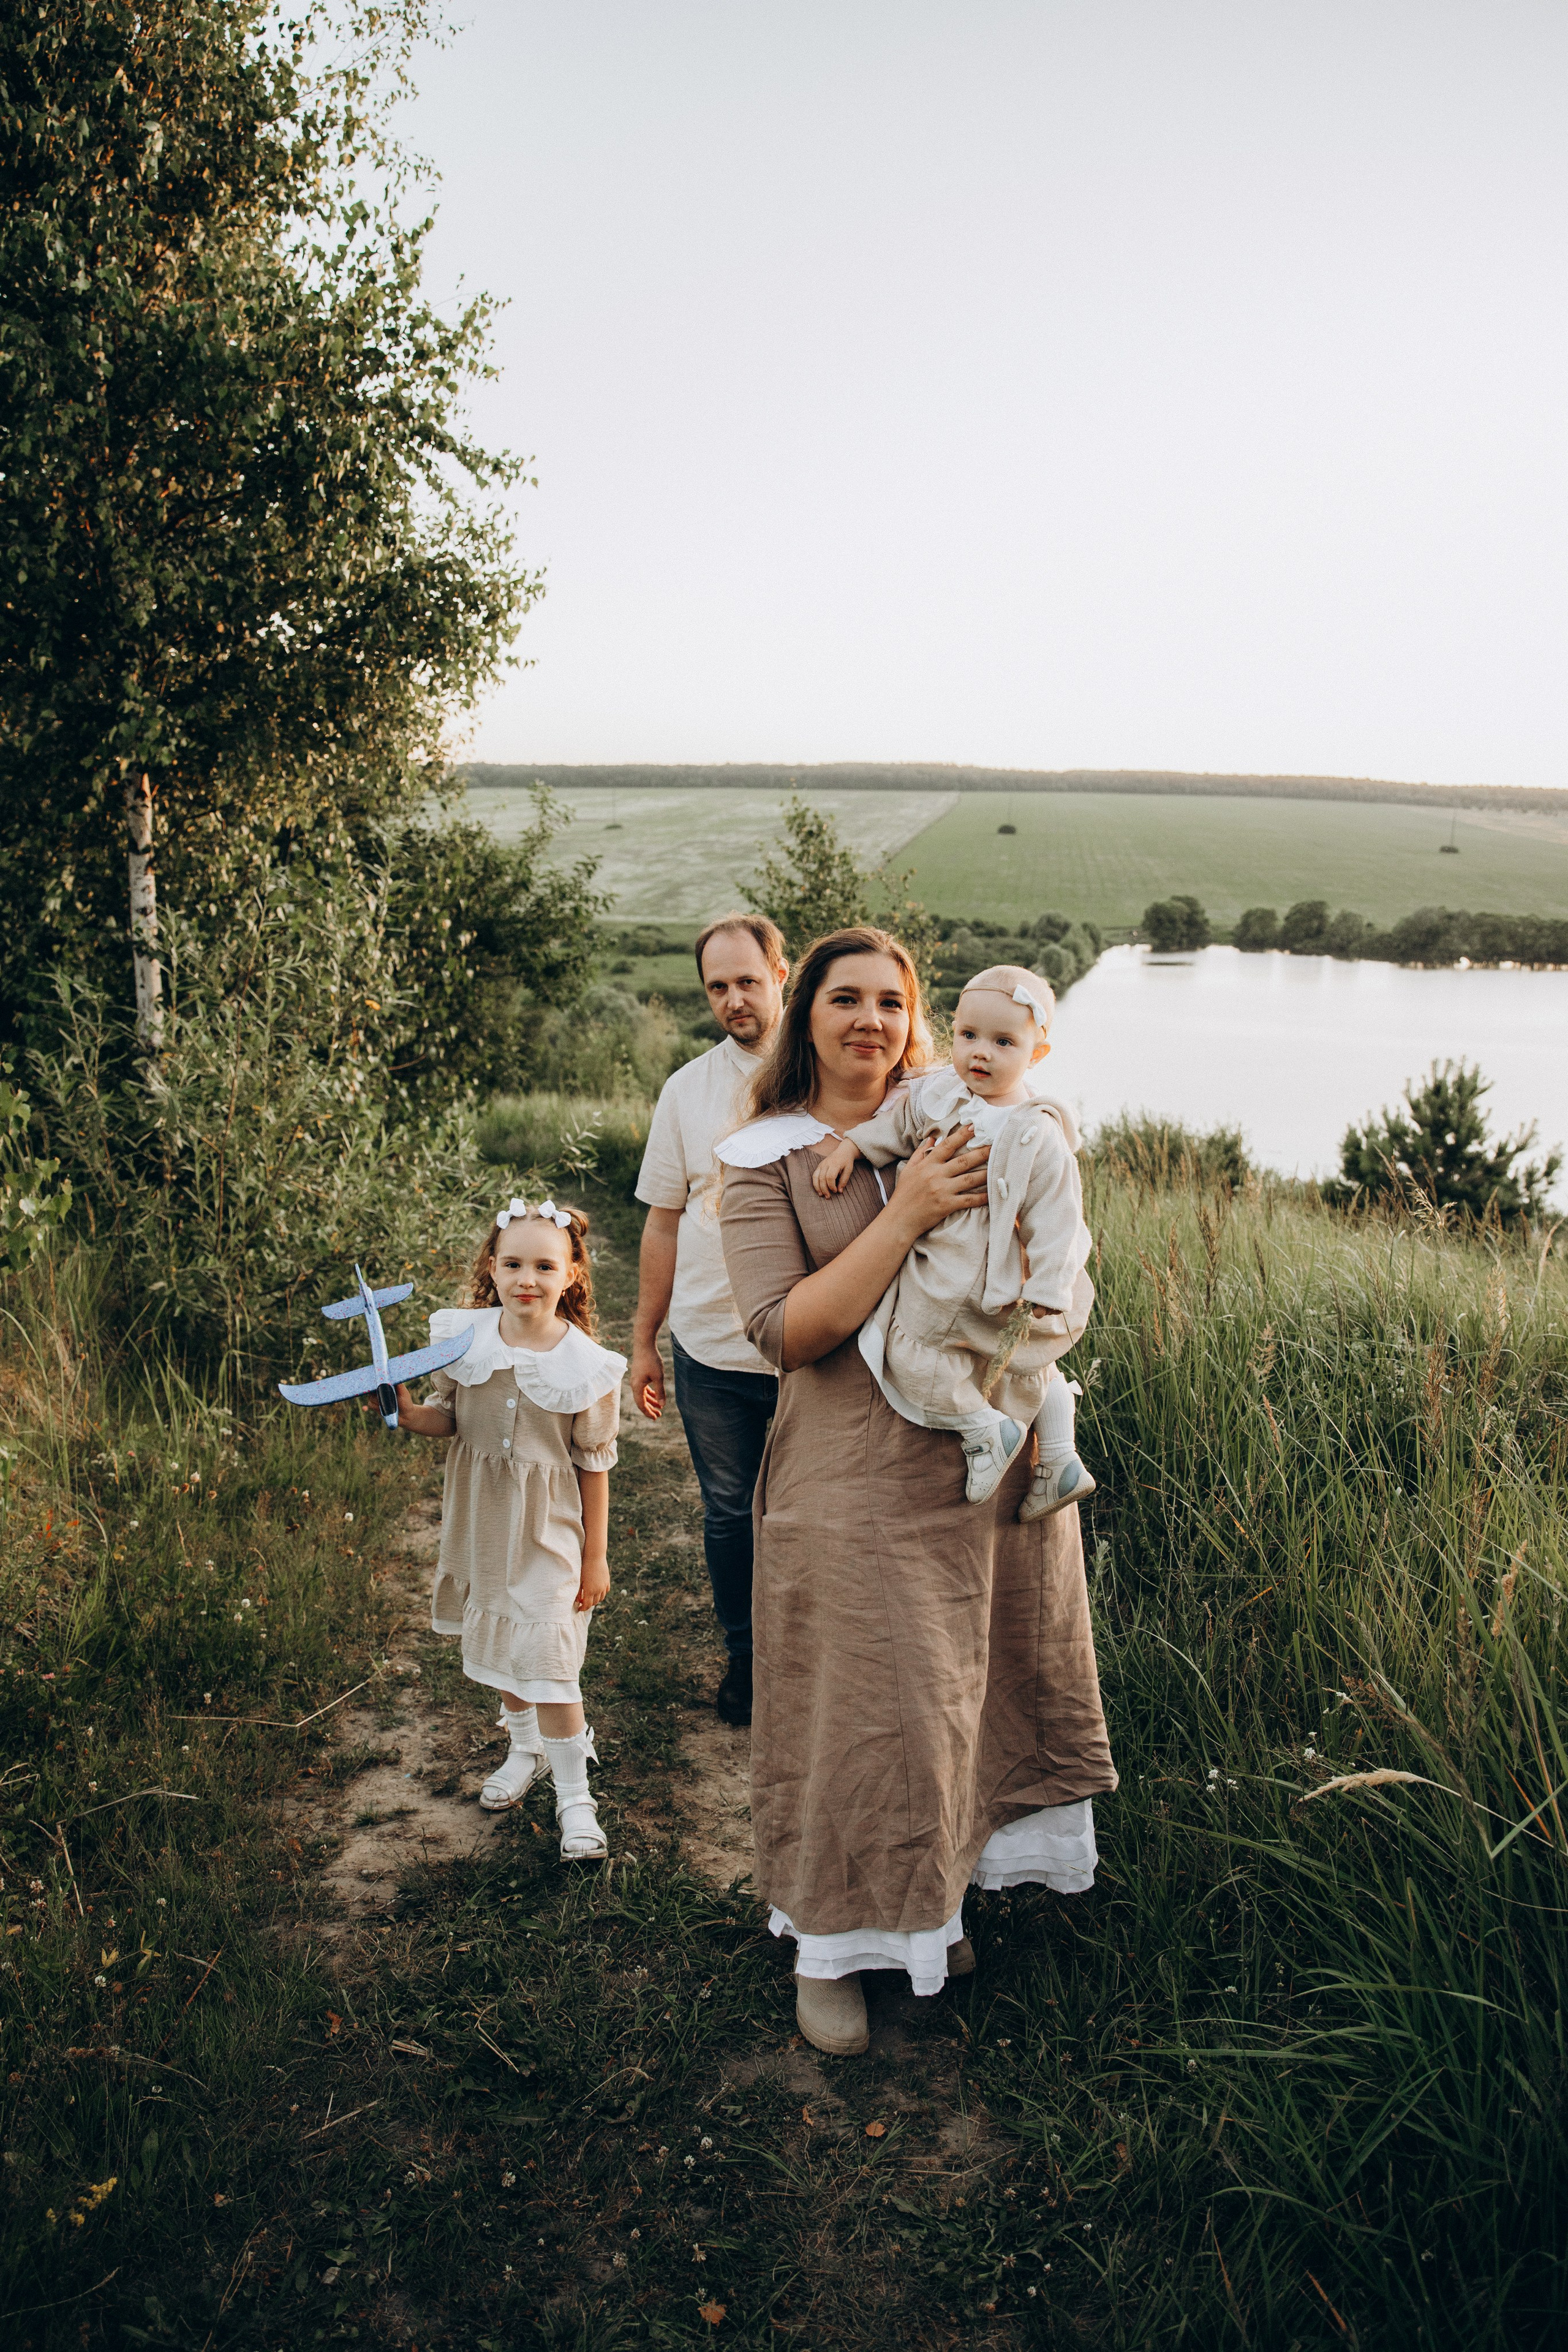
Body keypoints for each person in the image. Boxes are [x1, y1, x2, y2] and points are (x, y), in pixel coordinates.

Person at [716, 925, 1118, 2056]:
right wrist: (905, 1212)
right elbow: (785, 1330)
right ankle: (831, 1947)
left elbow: (1047, 1239)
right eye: (844, 1000)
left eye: (891, 1003)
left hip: (982, 1460)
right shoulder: (765, 1159)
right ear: (806, 1014)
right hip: (848, 1471)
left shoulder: (963, 1110)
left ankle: (932, 1917)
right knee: (854, 1708)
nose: (870, 1023)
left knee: (961, 1699)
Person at [810, 961, 1097, 1520]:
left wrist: (1049, 1285)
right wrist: (852, 1147)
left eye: (1003, 1041)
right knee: (1025, 1364)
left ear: (1037, 1053)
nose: (980, 1054)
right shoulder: (942, 1091)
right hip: (956, 1254)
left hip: (974, 1269)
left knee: (910, 1350)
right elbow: (897, 1129)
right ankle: (1059, 1459)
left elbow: (1060, 1219)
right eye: (968, 1036)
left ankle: (984, 1430)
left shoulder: (1035, 1131)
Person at [388, 1197, 626, 1861]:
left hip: (550, 1532)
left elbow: (594, 1465)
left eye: (544, 1266)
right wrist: (409, 1416)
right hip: (485, 1522)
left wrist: (596, 1558)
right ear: (491, 1269)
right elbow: (450, 1418)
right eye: (513, 1263)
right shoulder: (465, 1341)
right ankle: (525, 1749)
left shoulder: (586, 1365)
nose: (528, 1278)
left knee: (550, 1659)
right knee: (503, 1638)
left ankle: (576, 1800)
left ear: (571, 1275)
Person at [630, 913, 790, 1725]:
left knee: (813, 1519)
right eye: (717, 987)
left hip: (815, 1352)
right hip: (711, 1350)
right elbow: (662, 1219)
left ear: (781, 975)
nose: (733, 1000)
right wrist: (644, 1343)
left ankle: (818, 1663)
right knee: (730, 1512)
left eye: (746, 982)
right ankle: (747, 1662)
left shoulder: (834, 1074)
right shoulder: (687, 1090)